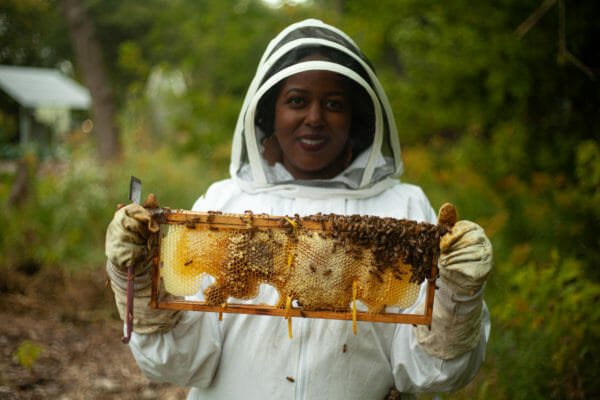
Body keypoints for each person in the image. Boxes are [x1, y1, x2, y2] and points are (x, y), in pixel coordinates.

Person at [105, 19, 492, 399]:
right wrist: (139, 281)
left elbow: (432, 372)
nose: (314, 117)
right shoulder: (225, 204)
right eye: (296, 100)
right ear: (269, 112)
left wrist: (457, 296)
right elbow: (178, 364)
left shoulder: (405, 207)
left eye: (334, 103)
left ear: (357, 116)